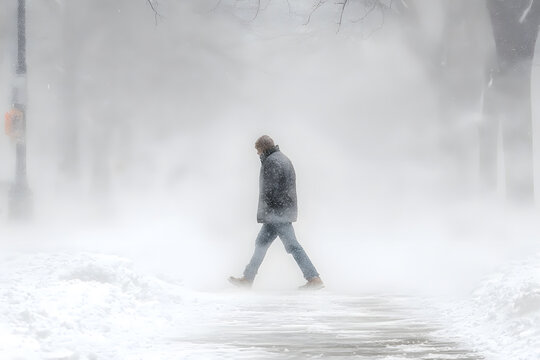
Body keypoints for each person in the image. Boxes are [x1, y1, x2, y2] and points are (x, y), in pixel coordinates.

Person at [229, 135, 324, 290]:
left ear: (263, 147)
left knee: (293, 246)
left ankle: (314, 278)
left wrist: (270, 211)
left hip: (277, 213)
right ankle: (247, 278)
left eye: (257, 150)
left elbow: (270, 190)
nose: (257, 153)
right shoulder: (282, 159)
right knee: (261, 243)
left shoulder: (271, 162)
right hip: (281, 211)